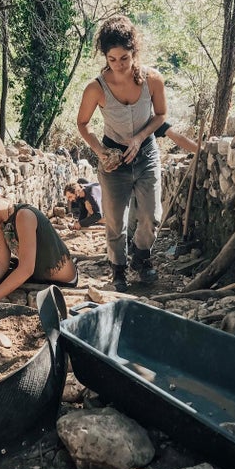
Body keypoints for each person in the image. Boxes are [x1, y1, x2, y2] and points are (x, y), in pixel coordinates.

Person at [77, 15, 166, 292]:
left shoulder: (152, 79)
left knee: (151, 214)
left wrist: (140, 138)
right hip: (113, 159)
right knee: (115, 219)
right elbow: (82, 124)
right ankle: (118, 269)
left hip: (146, 153)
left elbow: (161, 115)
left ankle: (142, 257)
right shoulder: (95, 88)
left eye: (124, 58)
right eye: (112, 59)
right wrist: (101, 152)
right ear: (105, 56)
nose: (119, 66)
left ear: (134, 52)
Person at [0, 178, 78, 307]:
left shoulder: (24, 216)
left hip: (60, 280)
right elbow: (0, 263)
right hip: (37, 269)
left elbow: (26, 270)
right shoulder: (1, 223)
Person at [127, 121, 200, 249]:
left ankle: (140, 254)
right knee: (129, 214)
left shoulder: (151, 120)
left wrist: (200, 149)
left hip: (146, 172)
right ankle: (126, 247)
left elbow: (176, 136)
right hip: (123, 173)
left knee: (150, 215)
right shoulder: (119, 116)